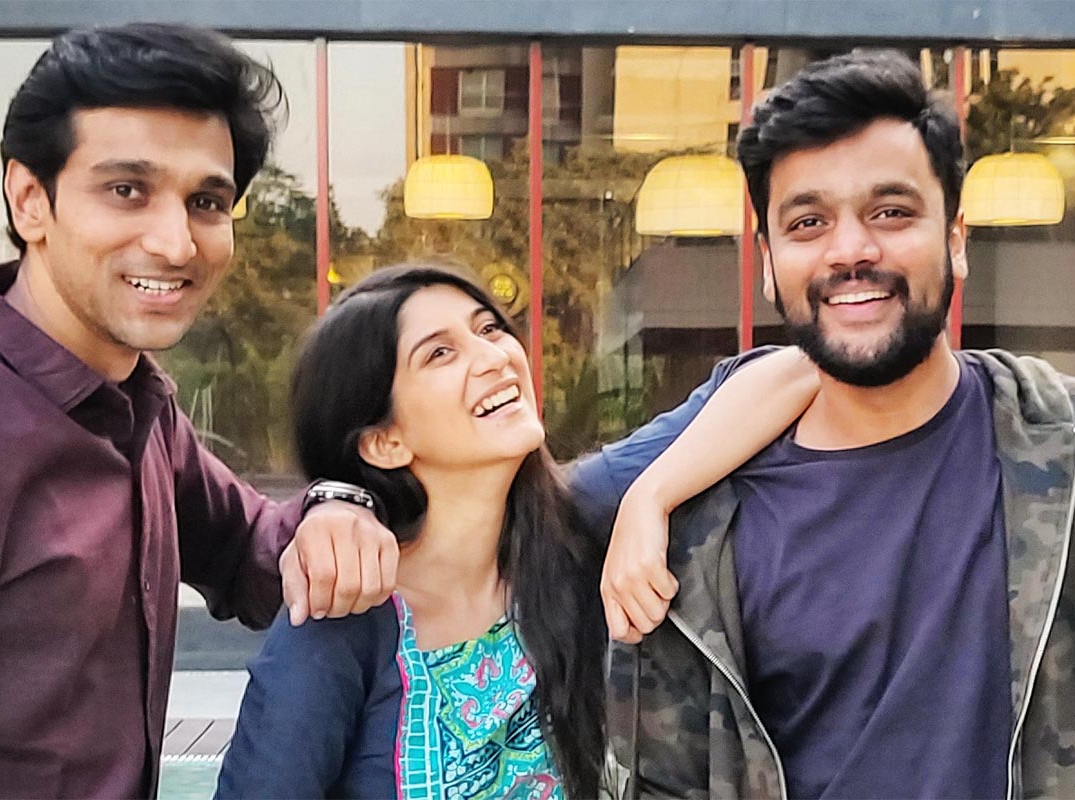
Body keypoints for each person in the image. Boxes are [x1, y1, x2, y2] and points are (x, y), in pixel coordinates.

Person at [0, 24, 398, 799]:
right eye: (127, 191)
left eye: (206, 202)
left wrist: (340, 506)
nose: (176, 243)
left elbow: (253, 554)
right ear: (30, 200)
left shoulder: (138, 406)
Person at [590, 51, 1075, 799]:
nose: (851, 251)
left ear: (956, 238)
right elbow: (663, 774)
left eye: (891, 213)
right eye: (808, 222)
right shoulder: (702, 521)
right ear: (768, 261)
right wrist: (647, 496)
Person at [214, 265, 819, 799]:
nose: (494, 356)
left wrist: (651, 497)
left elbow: (794, 370)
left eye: (489, 329)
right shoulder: (343, 614)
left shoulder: (579, 514)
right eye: (440, 354)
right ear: (384, 442)